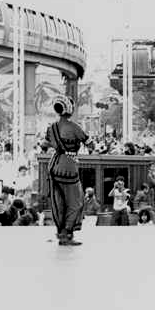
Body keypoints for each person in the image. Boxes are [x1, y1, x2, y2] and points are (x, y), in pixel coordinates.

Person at [43, 95, 89, 245]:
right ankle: (67, 233)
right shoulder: (74, 127)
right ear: (70, 109)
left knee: (58, 202)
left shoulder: (52, 128)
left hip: (54, 167)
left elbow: (44, 145)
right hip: (69, 168)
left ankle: (60, 232)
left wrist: (56, 147)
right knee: (76, 202)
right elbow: (91, 144)